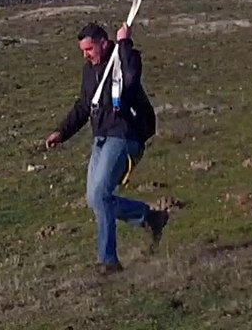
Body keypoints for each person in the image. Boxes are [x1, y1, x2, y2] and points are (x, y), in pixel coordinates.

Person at [44, 22, 166, 275]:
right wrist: (62, 132)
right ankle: (149, 217)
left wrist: (125, 43)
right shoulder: (89, 71)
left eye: (89, 49)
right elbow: (83, 106)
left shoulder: (122, 58)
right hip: (100, 137)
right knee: (95, 199)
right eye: (83, 51)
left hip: (124, 135)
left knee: (101, 194)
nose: (86, 55)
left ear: (103, 42)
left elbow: (132, 78)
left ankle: (108, 260)